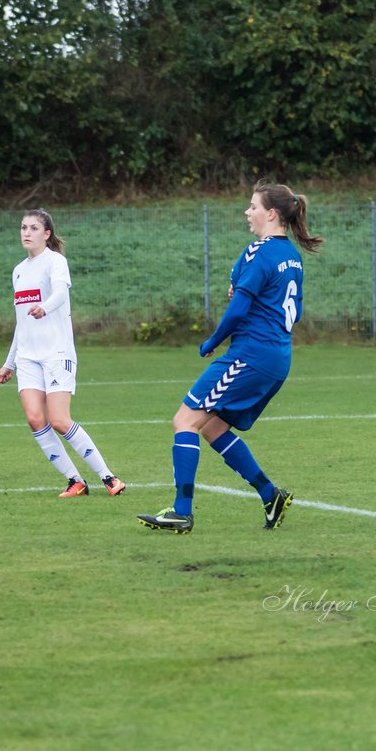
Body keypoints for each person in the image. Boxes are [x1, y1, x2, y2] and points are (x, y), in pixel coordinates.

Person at [137, 182, 322, 534]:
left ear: (271, 213)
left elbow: (238, 310)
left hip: (249, 356)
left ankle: (181, 511)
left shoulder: (259, 251)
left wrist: (212, 341)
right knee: (212, 427)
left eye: (252, 206)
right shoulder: (291, 256)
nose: (247, 212)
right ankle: (271, 496)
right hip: (277, 358)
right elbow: (293, 312)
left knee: (185, 421)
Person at [0, 209, 126, 498]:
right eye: (22, 227)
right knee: (34, 418)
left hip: (57, 352)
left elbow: (59, 295)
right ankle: (75, 481)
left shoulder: (56, 262)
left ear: (47, 234)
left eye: (33, 228)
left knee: (59, 419)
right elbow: (21, 322)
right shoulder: (18, 270)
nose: (26, 233)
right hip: (27, 357)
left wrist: (45, 306)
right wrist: (9, 363)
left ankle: (109, 477)